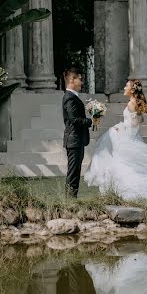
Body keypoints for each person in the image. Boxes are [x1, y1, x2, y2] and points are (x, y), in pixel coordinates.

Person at [84, 79, 147, 200]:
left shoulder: (132, 103)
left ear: (132, 90)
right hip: (131, 135)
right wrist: (121, 127)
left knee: (122, 164)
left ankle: (131, 192)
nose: (124, 88)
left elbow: (134, 125)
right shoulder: (135, 102)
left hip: (128, 138)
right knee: (128, 165)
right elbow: (139, 121)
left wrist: (121, 131)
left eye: (126, 86)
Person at [62, 67, 99, 198]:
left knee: (75, 171)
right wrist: (91, 122)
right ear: (72, 80)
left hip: (76, 140)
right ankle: (70, 199)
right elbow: (74, 120)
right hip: (74, 140)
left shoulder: (72, 97)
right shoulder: (70, 98)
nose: (82, 82)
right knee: (73, 171)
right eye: (80, 79)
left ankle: (72, 197)